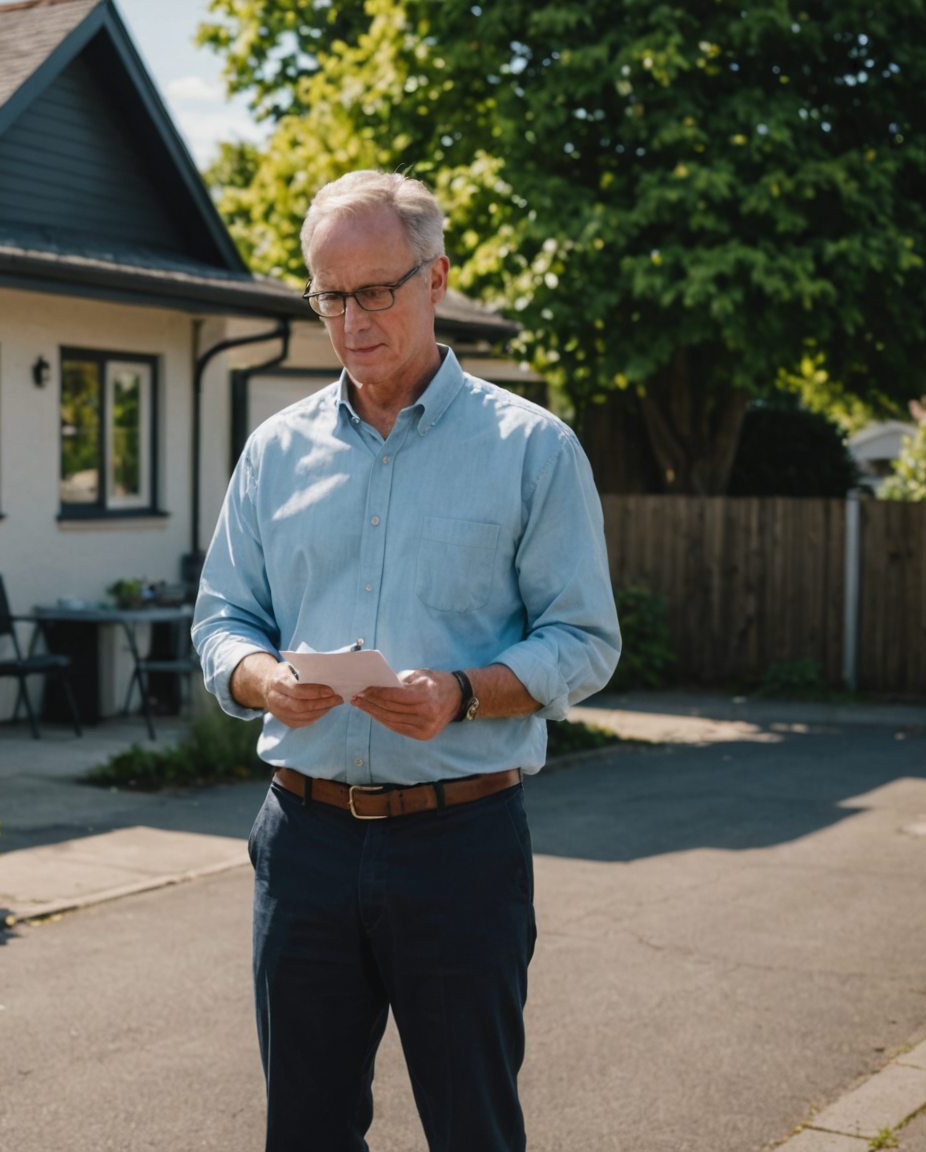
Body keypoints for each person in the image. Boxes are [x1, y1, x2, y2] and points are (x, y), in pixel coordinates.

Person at [191, 170, 620, 1152]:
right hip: (302, 843)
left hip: (459, 846)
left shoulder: (532, 450)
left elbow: (583, 639)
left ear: (436, 280)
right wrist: (264, 681)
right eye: (329, 297)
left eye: (375, 291)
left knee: (473, 1130)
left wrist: (461, 694)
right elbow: (224, 620)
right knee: (305, 1131)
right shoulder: (274, 452)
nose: (351, 321)